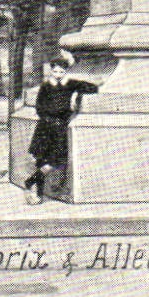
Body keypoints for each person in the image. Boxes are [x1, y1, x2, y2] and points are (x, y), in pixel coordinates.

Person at [23, 59, 99, 204]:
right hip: (45, 127)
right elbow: (39, 107)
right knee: (42, 160)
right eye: (55, 71)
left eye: (61, 72)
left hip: (60, 127)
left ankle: (30, 181)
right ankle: (38, 194)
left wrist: (77, 94)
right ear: (51, 71)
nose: (58, 74)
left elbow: (93, 88)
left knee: (58, 160)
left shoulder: (70, 84)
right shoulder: (46, 86)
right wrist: (48, 117)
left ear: (66, 72)